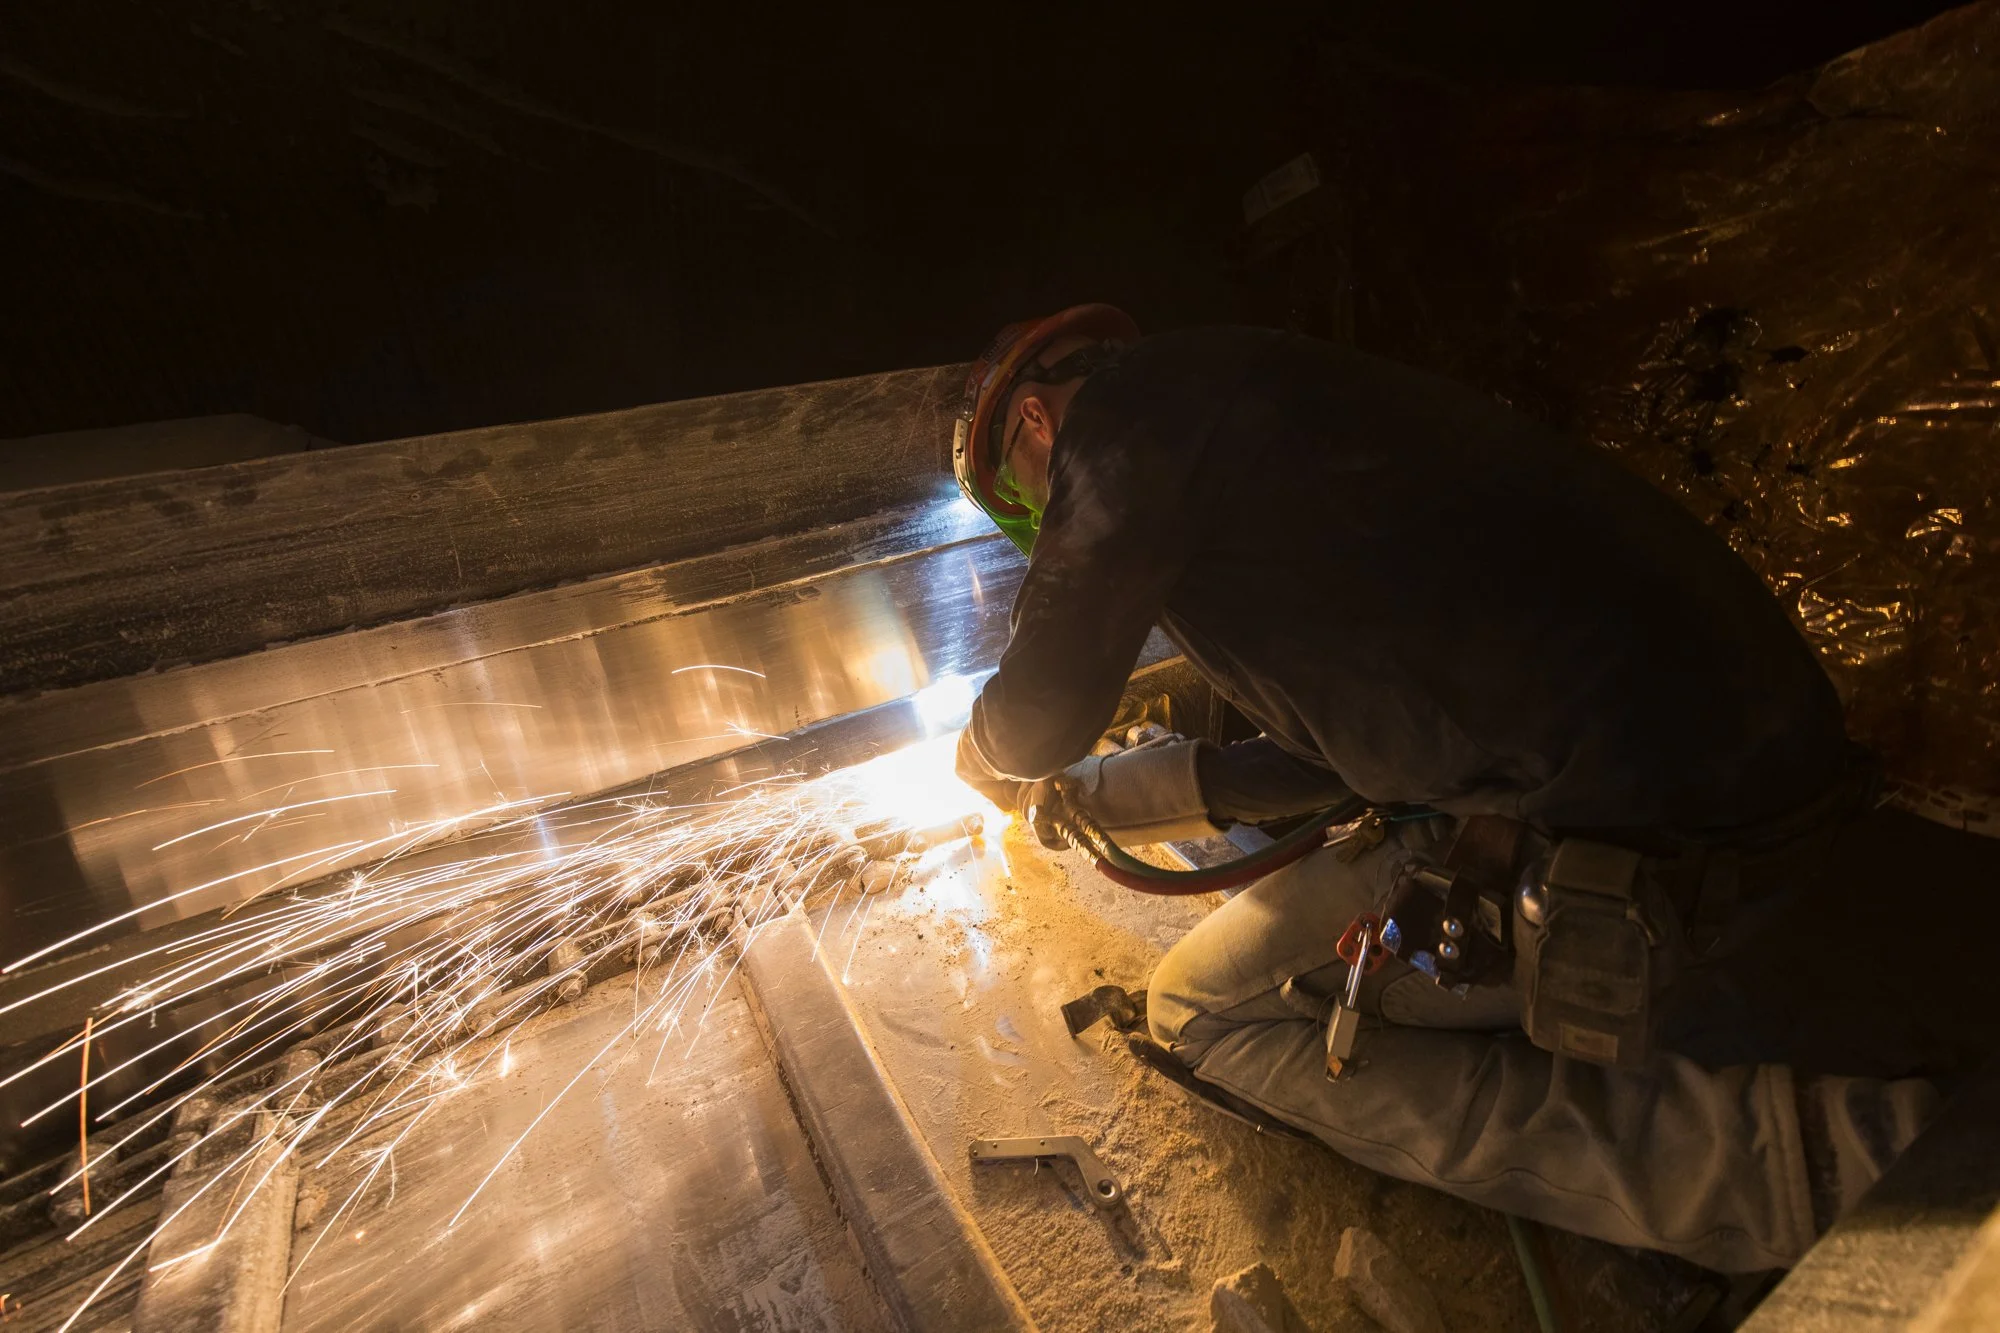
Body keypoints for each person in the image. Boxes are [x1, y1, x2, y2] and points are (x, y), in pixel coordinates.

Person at [950, 305, 1939, 1272]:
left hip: (1644, 820)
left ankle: (1853, 1174)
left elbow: (1039, 708)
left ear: (1033, 418)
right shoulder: (1252, 405)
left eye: (1033, 500)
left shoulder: (1126, 422)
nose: (1052, 520)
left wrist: (988, 759)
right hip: (1742, 751)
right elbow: (1332, 755)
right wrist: (1101, 795)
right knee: (1334, 956)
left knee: (1201, 1009)